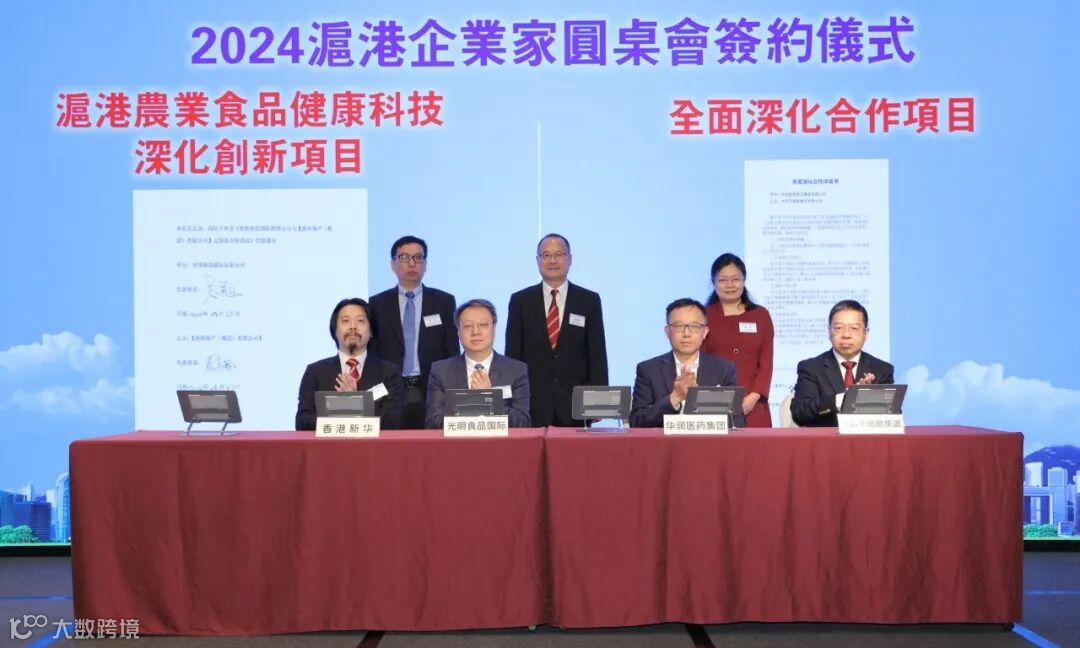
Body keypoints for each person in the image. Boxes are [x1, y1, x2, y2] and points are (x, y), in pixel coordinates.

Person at [506, 233, 608, 427]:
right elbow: (513, 355)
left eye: (559, 254)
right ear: (537, 261)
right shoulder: (520, 301)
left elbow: (597, 353)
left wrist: (600, 403)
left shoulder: (589, 300)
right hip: (531, 404)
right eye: (546, 255)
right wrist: (511, 401)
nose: (552, 260)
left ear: (570, 259)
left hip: (575, 405)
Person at [368, 236, 459, 429]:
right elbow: (373, 352)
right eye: (404, 257)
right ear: (393, 264)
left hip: (432, 391)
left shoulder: (443, 301)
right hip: (389, 391)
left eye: (418, 257)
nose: (412, 263)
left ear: (425, 264)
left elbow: (451, 350)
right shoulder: (377, 304)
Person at [630, 298, 742, 428]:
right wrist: (674, 398)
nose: (686, 333)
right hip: (665, 441)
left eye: (694, 326)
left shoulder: (724, 369)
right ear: (667, 332)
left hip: (709, 440)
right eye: (678, 326)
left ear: (705, 332)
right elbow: (637, 421)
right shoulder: (648, 370)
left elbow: (738, 421)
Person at [296, 298, 405, 430]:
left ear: (371, 331)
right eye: (345, 321)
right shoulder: (315, 372)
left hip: (372, 444)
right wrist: (347, 409)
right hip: (329, 443)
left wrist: (356, 402)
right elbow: (303, 422)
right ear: (335, 331)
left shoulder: (389, 373)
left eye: (360, 321)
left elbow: (392, 422)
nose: (353, 326)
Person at [426, 299, 531, 429]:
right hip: (457, 441)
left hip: (498, 441)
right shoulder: (440, 371)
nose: (476, 332)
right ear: (458, 331)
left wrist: (489, 398)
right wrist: (476, 401)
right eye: (468, 326)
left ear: (494, 329)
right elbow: (433, 422)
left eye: (483, 325)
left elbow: (522, 422)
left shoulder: (516, 370)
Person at [791, 299, 895, 427]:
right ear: (829, 332)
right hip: (826, 439)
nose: (846, 335)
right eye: (839, 328)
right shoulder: (811, 368)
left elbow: (892, 415)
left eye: (854, 328)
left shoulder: (882, 369)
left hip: (866, 438)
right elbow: (800, 413)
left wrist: (866, 396)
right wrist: (844, 398)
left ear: (866, 333)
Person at [701, 253, 775, 427]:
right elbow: (699, 361)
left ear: (744, 280)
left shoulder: (760, 315)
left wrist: (754, 396)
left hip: (754, 404)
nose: (730, 285)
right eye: (723, 280)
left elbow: (766, 362)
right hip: (714, 403)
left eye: (735, 279)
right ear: (713, 282)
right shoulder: (704, 316)